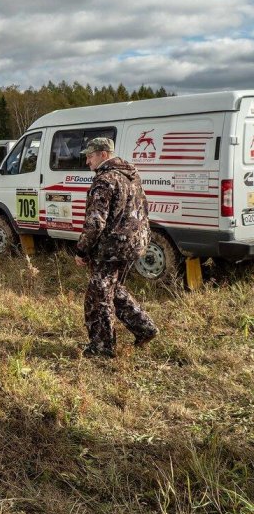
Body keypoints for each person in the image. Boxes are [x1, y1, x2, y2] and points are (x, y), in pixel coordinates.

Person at [73, 137, 159, 358]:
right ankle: (145, 328)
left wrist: (82, 250)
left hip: (112, 248)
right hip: (134, 244)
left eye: (90, 156)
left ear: (103, 154)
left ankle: (102, 347)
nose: (87, 162)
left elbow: (95, 222)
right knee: (114, 288)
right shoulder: (131, 175)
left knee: (98, 295)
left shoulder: (104, 180)